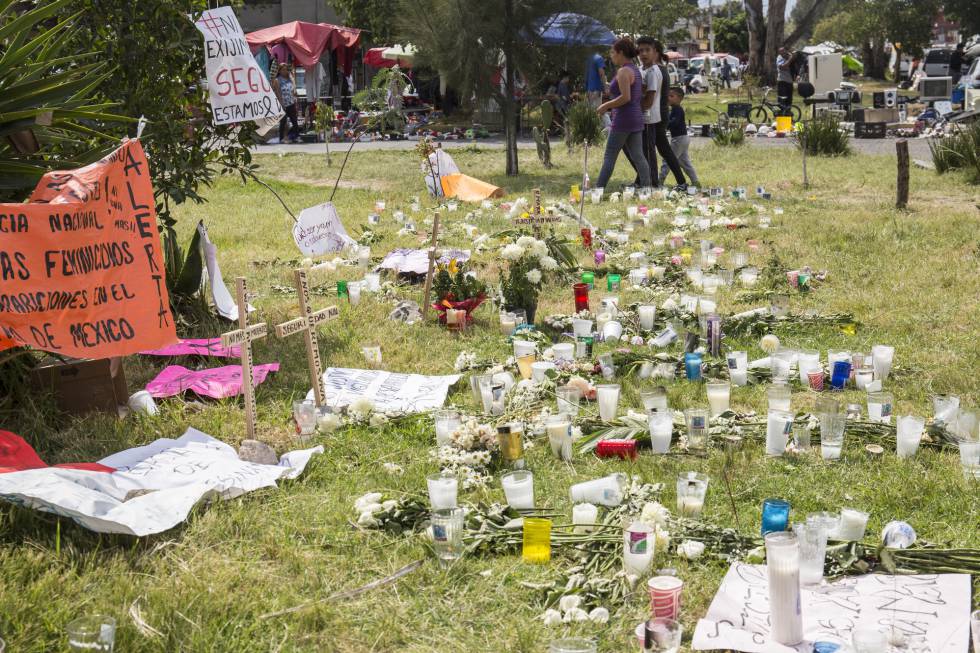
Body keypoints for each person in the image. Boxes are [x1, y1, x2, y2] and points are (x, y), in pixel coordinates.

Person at [594, 37, 651, 189]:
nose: (611, 56)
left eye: (613, 52)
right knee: (638, 156)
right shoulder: (634, 70)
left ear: (620, 53)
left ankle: (598, 189)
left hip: (623, 119)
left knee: (610, 155)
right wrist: (608, 85)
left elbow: (626, 97)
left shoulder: (624, 71)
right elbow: (624, 91)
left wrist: (605, 105)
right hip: (635, 118)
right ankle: (647, 188)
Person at [649, 39, 687, 189]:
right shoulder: (660, 69)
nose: (643, 54)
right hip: (660, 113)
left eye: (647, 50)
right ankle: (680, 181)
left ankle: (652, 182)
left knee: (655, 149)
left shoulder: (658, 70)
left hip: (658, 114)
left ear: (656, 53)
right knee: (661, 149)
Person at [659, 87, 699, 188]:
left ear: (679, 98)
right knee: (685, 162)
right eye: (668, 96)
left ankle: (659, 181)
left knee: (668, 160)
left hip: (679, 139)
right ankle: (695, 181)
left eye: (671, 96)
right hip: (683, 138)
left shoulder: (677, 110)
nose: (668, 98)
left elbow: (674, 122)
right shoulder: (675, 109)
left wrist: (665, 125)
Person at [272, 63, 299, 143]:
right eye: (283, 69)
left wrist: (292, 77)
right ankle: (281, 138)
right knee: (283, 122)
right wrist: (281, 104)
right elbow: (278, 92)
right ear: (279, 71)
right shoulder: (277, 80)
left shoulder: (290, 79)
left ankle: (296, 136)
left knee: (294, 121)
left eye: (286, 69)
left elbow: (294, 89)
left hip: (291, 103)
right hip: (283, 104)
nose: (285, 71)